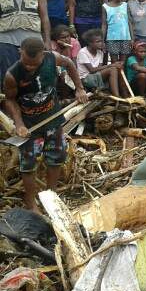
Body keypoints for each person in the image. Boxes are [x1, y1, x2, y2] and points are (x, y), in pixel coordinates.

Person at [3, 37, 88, 213]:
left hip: (53, 118)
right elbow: (10, 101)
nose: (30, 68)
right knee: (28, 164)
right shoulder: (12, 74)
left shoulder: (53, 58)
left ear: (43, 54)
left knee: (56, 157)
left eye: (34, 64)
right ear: (21, 53)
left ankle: (51, 195)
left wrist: (79, 88)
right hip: (29, 125)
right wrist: (19, 124)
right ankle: (31, 202)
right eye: (27, 64)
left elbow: (70, 65)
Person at [0, 0, 51, 87]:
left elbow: (44, 17)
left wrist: (47, 41)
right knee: (8, 76)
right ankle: (9, 103)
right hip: (6, 41)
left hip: (32, 41)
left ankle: (33, 104)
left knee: (34, 76)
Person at [76, 28, 122, 96]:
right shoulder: (83, 52)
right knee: (112, 69)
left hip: (95, 76)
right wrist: (111, 65)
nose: (101, 43)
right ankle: (116, 96)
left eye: (101, 41)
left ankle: (117, 94)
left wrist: (106, 53)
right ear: (90, 43)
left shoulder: (100, 52)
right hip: (85, 79)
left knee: (115, 69)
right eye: (98, 42)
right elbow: (92, 70)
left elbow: (100, 69)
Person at [102, 0, 134, 64]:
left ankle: (122, 77)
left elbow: (129, 22)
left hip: (125, 38)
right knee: (114, 63)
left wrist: (132, 38)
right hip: (112, 38)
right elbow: (104, 25)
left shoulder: (125, 5)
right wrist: (102, 40)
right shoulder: (105, 7)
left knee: (124, 62)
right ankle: (115, 77)